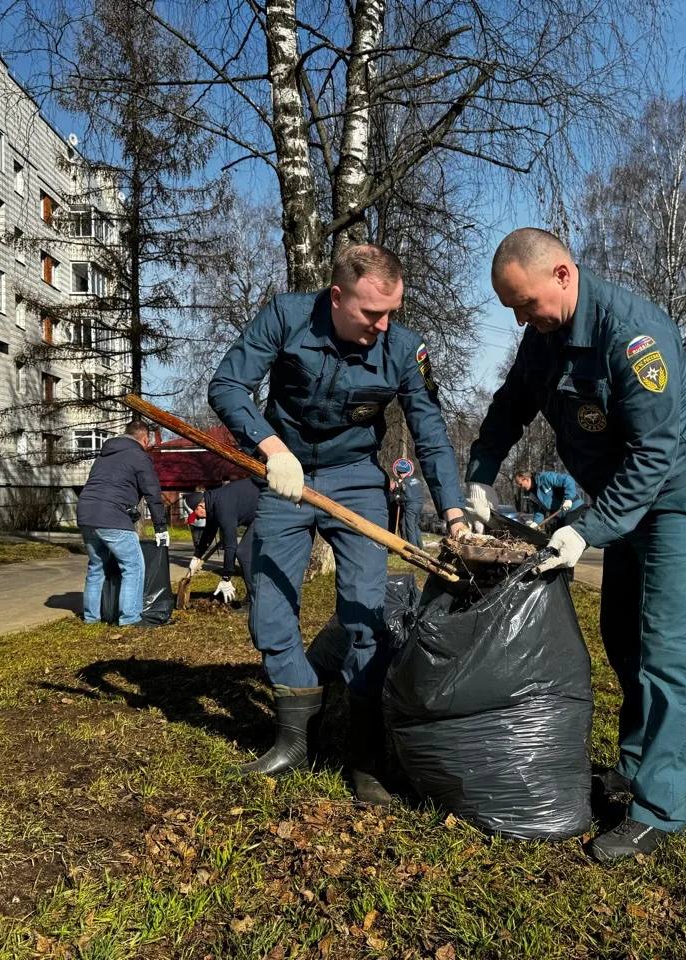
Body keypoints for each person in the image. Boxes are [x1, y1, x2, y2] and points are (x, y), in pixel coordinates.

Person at [463, 228, 686, 862]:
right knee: (623, 636)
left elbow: (655, 454)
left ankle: (659, 807)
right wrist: (480, 471)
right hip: (627, 499)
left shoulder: (633, 335)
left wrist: (585, 527)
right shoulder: (545, 337)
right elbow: (510, 404)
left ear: (563, 274)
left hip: (680, 494)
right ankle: (636, 762)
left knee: (667, 649)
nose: (520, 318)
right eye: (511, 308)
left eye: (524, 302)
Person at [209, 244, 470, 806]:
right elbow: (228, 385)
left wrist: (452, 511)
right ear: (336, 297)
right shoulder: (285, 316)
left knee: (364, 612)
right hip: (286, 474)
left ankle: (365, 755)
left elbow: (428, 428)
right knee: (269, 604)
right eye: (372, 313)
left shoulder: (403, 348)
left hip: (356, 477)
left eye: (392, 312)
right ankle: (295, 737)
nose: (383, 325)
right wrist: (271, 447)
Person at [76, 421, 171, 627]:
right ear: (145, 439)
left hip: (85, 513)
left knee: (96, 567)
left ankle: (91, 618)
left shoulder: (104, 455)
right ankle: (130, 618)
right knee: (133, 566)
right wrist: (160, 526)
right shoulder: (139, 456)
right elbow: (152, 492)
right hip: (111, 517)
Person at [187, 477, 259, 605]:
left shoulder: (223, 507)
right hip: (256, 512)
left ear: (200, 505)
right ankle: (253, 596)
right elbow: (208, 532)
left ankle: (255, 600)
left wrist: (226, 577)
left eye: (196, 513)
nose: (196, 516)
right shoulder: (212, 501)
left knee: (244, 553)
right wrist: (196, 556)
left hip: (266, 511)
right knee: (245, 553)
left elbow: (231, 546)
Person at [513, 469, 582, 528]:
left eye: (521, 484)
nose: (521, 487)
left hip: (574, 508)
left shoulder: (545, 478)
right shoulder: (531, 494)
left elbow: (568, 479)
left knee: (566, 535)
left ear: (527, 479)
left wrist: (569, 499)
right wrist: (536, 523)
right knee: (556, 536)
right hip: (561, 514)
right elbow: (539, 510)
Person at [392, 459, 426, 549]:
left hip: (411, 506)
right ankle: (420, 547)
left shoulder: (405, 482)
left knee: (409, 527)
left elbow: (408, 496)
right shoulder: (416, 480)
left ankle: (413, 548)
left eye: (399, 475)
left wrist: (400, 499)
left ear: (400, 474)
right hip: (420, 504)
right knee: (415, 526)